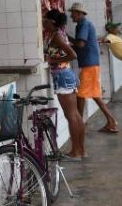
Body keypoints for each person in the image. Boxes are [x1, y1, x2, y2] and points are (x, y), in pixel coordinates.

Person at [68, 2, 118, 134]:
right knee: (95, 95)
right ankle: (111, 121)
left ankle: (79, 123)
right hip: (91, 64)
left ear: (79, 14)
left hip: (89, 64)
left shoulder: (83, 24)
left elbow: (80, 44)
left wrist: (66, 40)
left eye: (72, 13)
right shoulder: (82, 24)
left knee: (80, 94)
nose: (71, 16)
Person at [43, 9, 85, 160]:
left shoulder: (57, 36)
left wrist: (53, 61)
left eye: (45, 20)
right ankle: (81, 150)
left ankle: (75, 152)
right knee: (75, 114)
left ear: (51, 22)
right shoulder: (59, 33)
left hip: (62, 76)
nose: (43, 22)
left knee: (71, 115)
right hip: (67, 75)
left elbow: (73, 54)